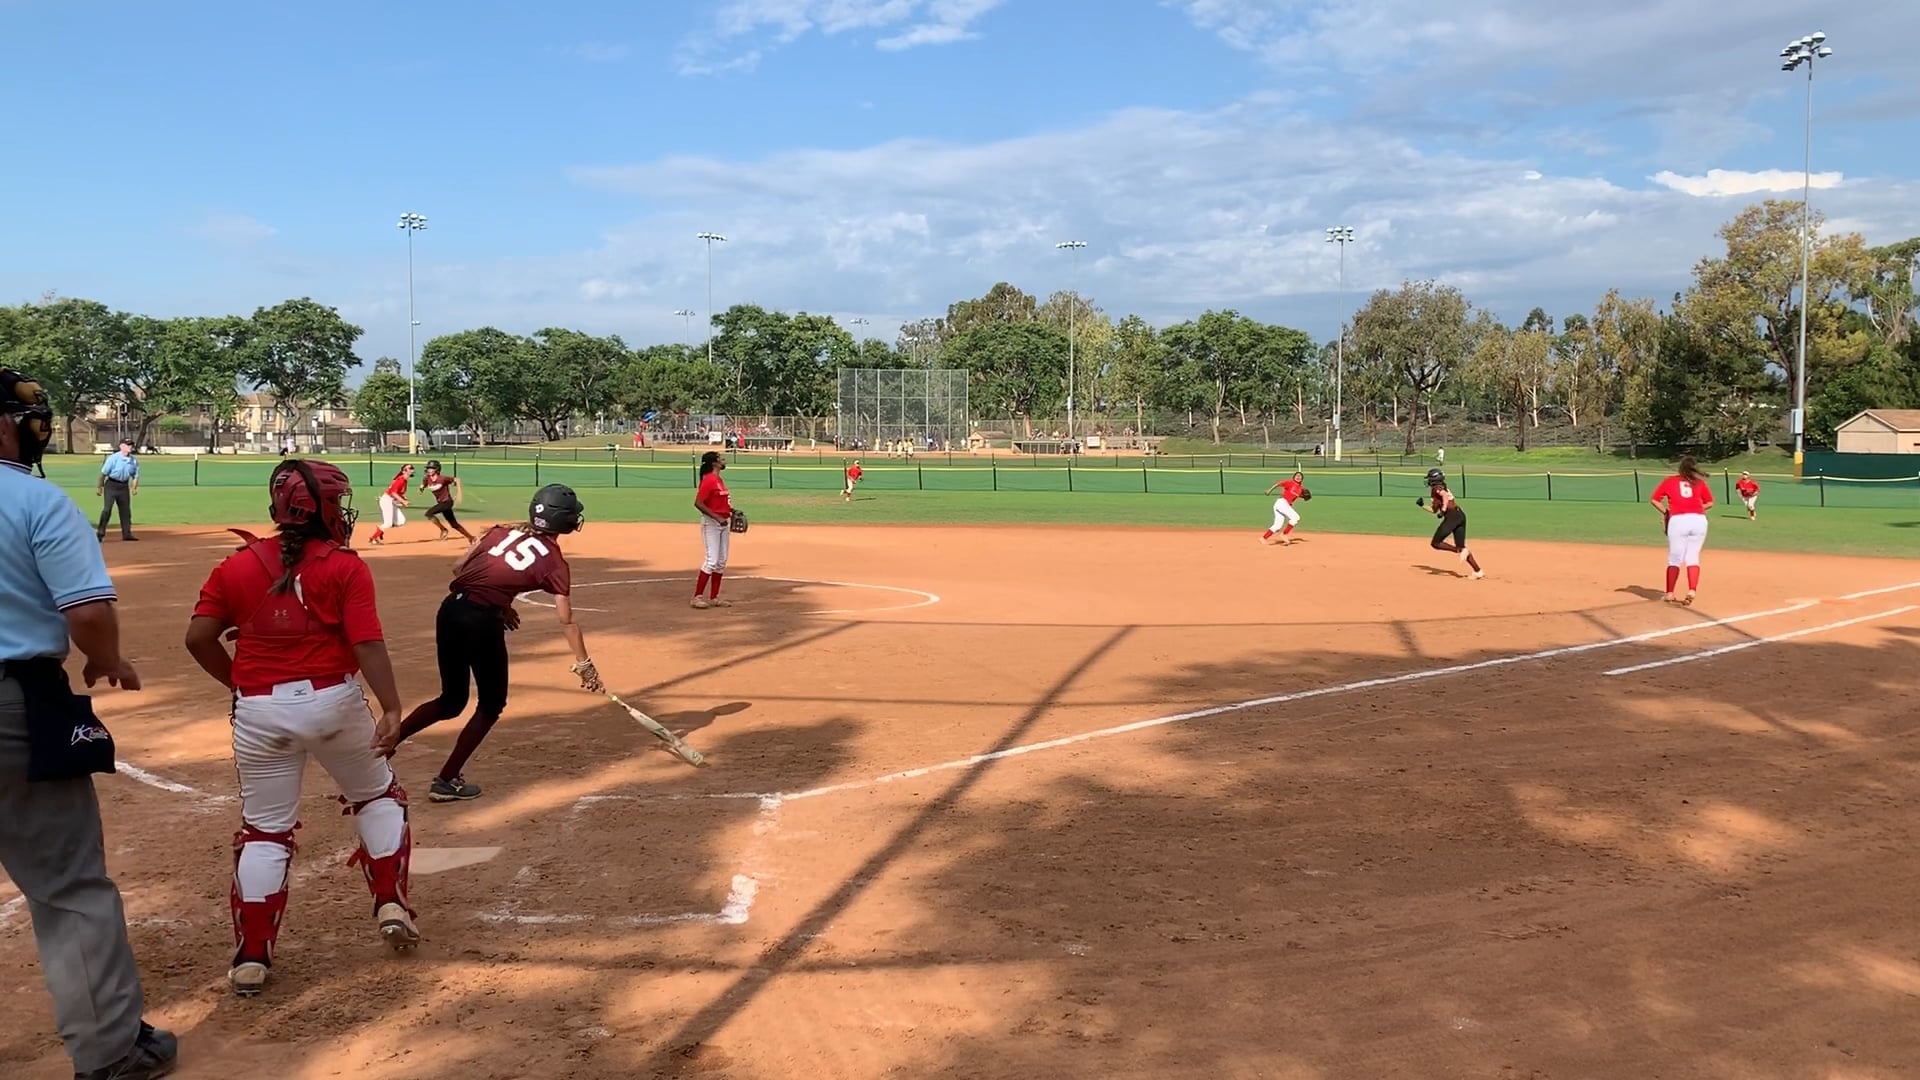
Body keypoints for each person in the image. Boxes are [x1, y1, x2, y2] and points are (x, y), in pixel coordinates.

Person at [182, 459, 418, 996]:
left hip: (259, 712)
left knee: (266, 831)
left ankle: (252, 957)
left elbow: (198, 638)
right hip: (333, 702)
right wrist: (391, 706)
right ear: (324, 510)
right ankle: (390, 902)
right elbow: (367, 644)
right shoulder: (345, 567)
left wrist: (240, 683)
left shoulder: (236, 566)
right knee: (377, 797)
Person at [0, 369, 177, 1079]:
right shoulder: (34, 499)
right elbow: (89, 612)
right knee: (69, 885)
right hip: (15, 701)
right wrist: (107, 659)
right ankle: (109, 1050)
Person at [382, 485, 603, 802]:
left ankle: (382, 749)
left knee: (451, 701)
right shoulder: (554, 562)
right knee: (490, 704)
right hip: (481, 622)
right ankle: (446, 780)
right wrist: (585, 664)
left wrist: (501, 603)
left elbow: (459, 569)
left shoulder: (500, 533)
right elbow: (566, 620)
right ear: (564, 521)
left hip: (451, 610)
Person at [1651, 455, 1713, 605]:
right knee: (1693, 557)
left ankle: (1670, 593)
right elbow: (1710, 503)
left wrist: (1667, 512)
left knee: (1675, 558)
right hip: (1699, 520)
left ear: (1680, 468)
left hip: (1678, 520)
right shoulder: (1699, 482)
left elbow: (1654, 500)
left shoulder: (1669, 481)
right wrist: (1695, 508)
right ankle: (1692, 590)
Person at [1419, 467, 1484, 579]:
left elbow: (1444, 496)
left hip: (1452, 517)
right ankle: (1478, 571)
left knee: (1436, 543)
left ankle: (1461, 551)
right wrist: (1422, 505)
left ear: (1435, 479)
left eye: (1430, 478)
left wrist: (1443, 509)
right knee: (1460, 547)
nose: (1428, 481)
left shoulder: (1437, 488)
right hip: (1459, 515)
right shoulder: (1441, 487)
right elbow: (1434, 510)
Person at [693, 451, 734, 609]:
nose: (724, 460)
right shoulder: (709, 480)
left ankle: (714, 597)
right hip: (711, 524)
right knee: (712, 560)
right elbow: (698, 503)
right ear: (714, 463)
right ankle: (697, 597)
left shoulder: (718, 480)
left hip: (723, 523)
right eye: (721, 459)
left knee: (721, 561)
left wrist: (731, 511)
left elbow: (719, 501)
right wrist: (717, 517)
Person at [420, 460, 475, 543]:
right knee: (454, 524)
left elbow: (457, 480)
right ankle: (471, 538)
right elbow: (424, 483)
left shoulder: (442, 479)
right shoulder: (427, 478)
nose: (429, 470)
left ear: (437, 469)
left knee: (429, 513)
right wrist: (422, 488)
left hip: (447, 502)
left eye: (432, 468)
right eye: (428, 468)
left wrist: (459, 493)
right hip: (441, 503)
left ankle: (443, 529)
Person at [96, 439, 139, 542]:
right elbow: (103, 474)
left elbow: (135, 476)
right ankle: (100, 533)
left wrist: (134, 488)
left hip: (123, 486)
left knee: (125, 511)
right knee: (107, 509)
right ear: (121, 446)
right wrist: (99, 487)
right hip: (111, 485)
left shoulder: (133, 460)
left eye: (131, 445)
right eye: (128, 445)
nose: (130, 447)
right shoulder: (113, 458)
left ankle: (127, 534)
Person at [367, 464, 414, 545]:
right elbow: (393, 493)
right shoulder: (400, 480)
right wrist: (403, 501)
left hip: (391, 501)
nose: (412, 469)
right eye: (410, 468)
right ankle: (373, 538)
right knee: (388, 523)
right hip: (387, 501)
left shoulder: (404, 480)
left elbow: (397, 493)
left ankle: (380, 529)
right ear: (404, 471)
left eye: (412, 468)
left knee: (401, 521)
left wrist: (403, 498)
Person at [1261, 471, 1309, 545]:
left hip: (1284, 505)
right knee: (1296, 517)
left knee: (1277, 525)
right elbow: (1278, 483)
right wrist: (1269, 490)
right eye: (1297, 476)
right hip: (1281, 502)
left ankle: (1263, 538)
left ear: (1302, 478)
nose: (1298, 477)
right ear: (1294, 477)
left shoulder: (1301, 489)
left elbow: (1297, 495)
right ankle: (1284, 534)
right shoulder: (1290, 482)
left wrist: (1305, 497)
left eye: (1300, 476)